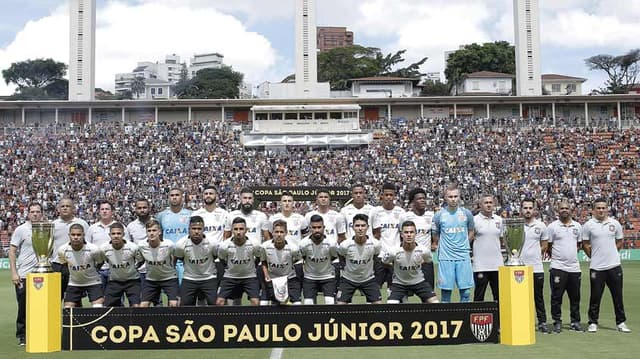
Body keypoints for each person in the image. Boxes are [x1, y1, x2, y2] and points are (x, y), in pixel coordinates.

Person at [582, 198, 631, 333]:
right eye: (598, 208)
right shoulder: (588, 225)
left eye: (603, 208)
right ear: (594, 209)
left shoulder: (615, 224)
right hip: (597, 267)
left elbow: (620, 241)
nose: (601, 210)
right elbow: (585, 244)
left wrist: (612, 253)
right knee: (595, 296)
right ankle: (593, 322)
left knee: (618, 296)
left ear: (607, 209)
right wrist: (594, 256)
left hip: (614, 266)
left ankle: (621, 322)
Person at [431, 184, 475, 303]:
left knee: (466, 293)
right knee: (445, 294)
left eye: (456, 196)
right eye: (450, 196)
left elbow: (471, 230)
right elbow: (435, 233)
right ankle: (447, 319)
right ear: (445, 198)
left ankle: (464, 318)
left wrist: (466, 242)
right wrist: (439, 244)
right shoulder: (439, 215)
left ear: (459, 197)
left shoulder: (467, 214)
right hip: (446, 257)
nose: (453, 199)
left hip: (463, 257)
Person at [547, 199, 583, 333]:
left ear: (570, 210)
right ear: (558, 210)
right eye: (562, 208)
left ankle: (575, 321)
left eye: (566, 208)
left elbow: (578, 245)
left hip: (574, 268)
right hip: (558, 267)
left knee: (575, 297)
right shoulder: (552, 227)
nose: (564, 210)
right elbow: (549, 246)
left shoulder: (578, 226)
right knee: (556, 297)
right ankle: (557, 321)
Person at [9, 203, 43, 346]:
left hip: (42, 274)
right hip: (24, 275)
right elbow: (12, 251)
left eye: (37, 211)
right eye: (32, 211)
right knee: (23, 307)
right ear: (28, 214)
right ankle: (22, 335)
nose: (35, 214)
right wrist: (14, 273)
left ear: (41, 213)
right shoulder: (21, 230)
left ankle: (39, 332)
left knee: (40, 306)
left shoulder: (46, 228)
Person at [382, 221, 439, 304]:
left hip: (419, 282)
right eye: (406, 232)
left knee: (435, 303)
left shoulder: (424, 251)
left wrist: (417, 263)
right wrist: (394, 266)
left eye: (411, 232)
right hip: (399, 284)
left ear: (416, 234)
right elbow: (384, 262)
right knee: (391, 305)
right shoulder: (393, 251)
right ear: (401, 234)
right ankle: (402, 298)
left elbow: (428, 261)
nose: (409, 235)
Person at [174, 216, 220, 306]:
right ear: (189, 229)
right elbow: (179, 258)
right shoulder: (180, 244)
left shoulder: (213, 243)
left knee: (216, 304)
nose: (196, 231)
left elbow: (216, 257)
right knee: (184, 305)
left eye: (199, 229)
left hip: (209, 277)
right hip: (189, 278)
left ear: (203, 229)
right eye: (193, 228)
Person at [521, 198, 551, 334]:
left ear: (534, 210)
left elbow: (545, 245)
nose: (527, 210)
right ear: (521, 209)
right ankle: (521, 321)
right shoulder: (516, 225)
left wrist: (535, 254)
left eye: (530, 208)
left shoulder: (541, 226)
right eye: (525, 208)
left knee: (538, 296)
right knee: (520, 298)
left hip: (536, 267)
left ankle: (542, 322)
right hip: (519, 268)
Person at [336, 214, 382, 304]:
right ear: (353, 227)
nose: (360, 228)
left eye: (363, 226)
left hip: (368, 279)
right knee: (340, 305)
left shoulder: (375, 244)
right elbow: (341, 255)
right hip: (348, 279)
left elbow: (376, 257)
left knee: (379, 305)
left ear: (367, 227)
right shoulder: (345, 245)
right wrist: (345, 268)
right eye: (357, 226)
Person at [56, 224, 104, 308]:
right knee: (68, 310)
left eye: (78, 235)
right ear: (69, 235)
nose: (75, 237)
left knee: (98, 307)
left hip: (93, 282)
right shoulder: (62, 250)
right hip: (74, 283)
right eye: (73, 235)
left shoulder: (94, 249)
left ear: (83, 235)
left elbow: (100, 262)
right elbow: (64, 264)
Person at [216, 217, 261, 306]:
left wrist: (252, 267)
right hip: (230, 277)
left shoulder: (254, 244)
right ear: (232, 230)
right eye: (236, 229)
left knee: (255, 302)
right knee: (219, 302)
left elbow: (258, 257)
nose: (238, 232)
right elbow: (221, 259)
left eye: (241, 229)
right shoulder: (224, 246)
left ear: (246, 230)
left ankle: (252, 320)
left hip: (249, 277)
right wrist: (227, 267)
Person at [52, 197, 90, 298]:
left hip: (76, 264)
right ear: (58, 209)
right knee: (55, 297)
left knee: (75, 298)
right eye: (62, 206)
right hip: (57, 265)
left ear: (73, 209)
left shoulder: (82, 223)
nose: (65, 208)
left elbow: (88, 244)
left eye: (68, 206)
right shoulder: (52, 225)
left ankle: (74, 314)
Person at [371, 182, 405, 289]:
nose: (389, 197)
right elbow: (373, 233)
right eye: (386, 195)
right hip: (379, 256)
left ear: (395, 196)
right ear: (382, 196)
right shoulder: (375, 211)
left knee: (394, 288)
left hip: (395, 256)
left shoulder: (401, 212)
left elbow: (402, 234)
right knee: (375, 288)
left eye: (391, 195)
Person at [399, 188, 436, 288]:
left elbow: (434, 234)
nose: (423, 200)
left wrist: (434, 243)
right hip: (409, 259)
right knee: (404, 292)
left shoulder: (431, 216)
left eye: (424, 198)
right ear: (412, 202)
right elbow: (400, 237)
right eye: (419, 198)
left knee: (429, 292)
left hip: (425, 260)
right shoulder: (405, 217)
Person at [259, 219, 302, 305]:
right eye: (276, 232)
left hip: (289, 278)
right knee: (263, 303)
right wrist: (267, 276)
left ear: (286, 233)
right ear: (272, 233)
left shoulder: (293, 248)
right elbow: (263, 262)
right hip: (272, 278)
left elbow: (298, 263)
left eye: (281, 232)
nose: (279, 235)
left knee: (297, 304)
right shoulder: (264, 247)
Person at [138, 220, 179, 307]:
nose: (151, 233)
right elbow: (140, 260)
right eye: (149, 231)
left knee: (174, 304)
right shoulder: (141, 246)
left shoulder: (169, 245)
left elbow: (176, 256)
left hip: (169, 278)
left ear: (159, 232)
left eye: (154, 230)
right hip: (151, 279)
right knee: (142, 306)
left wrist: (172, 265)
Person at [100, 222, 142, 307]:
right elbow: (102, 261)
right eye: (113, 233)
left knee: (137, 307)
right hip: (114, 281)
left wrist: (134, 268)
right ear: (109, 235)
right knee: (107, 308)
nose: (116, 236)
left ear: (123, 234)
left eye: (119, 233)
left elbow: (140, 261)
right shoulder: (104, 248)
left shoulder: (133, 247)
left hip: (132, 281)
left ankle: (135, 321)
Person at [472, 194, 505, 302]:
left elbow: (501, 240)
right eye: (486, 203)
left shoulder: (499, 220)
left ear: (494, 204)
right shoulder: (474, 220)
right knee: (479, 296)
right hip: (480, 265)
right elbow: (470, 239)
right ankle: (477, 318)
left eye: (490, 202)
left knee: (499, 296)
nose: (489, 205)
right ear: (480, 205)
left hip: (497, 265)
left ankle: (499, 318)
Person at [299, 215, 338, 305]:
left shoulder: (332, 243)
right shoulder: (303, 244)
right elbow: (303, 257)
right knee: (308, 303)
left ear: (323, 228)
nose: (317, 230)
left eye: (319, 227)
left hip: (328, 276)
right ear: (310, 228)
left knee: (330, 302)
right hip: (310, 277)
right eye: (314, 227)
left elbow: (334, 257)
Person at [87, 200, 125, 291]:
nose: (104, 211)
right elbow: (87, 249)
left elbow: (127, 247)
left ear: (112, 211)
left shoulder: (120, 227)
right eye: (102, 209)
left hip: (116, 270)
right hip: (97, 270)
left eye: (107, 209)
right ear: (99, 212)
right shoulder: (92, 228)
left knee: (117, 300)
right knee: (99, 298)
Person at [156, 188, 192, 282]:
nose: (174, 197)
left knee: (186, 289)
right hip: (168, 257)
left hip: (186, 258)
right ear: (168, 198)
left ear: (182, 198)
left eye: (177, 195)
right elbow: (159, 236)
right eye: (172, 195)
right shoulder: (161, 216)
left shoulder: (190, 214)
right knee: (170, 289)